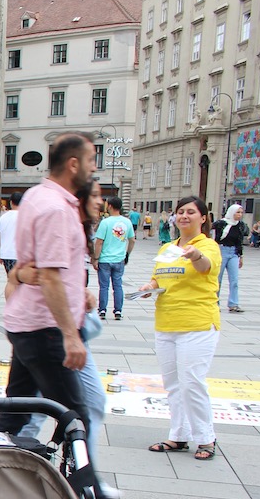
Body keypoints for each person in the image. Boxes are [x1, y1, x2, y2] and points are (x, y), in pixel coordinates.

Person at [0, 133, 140, 499]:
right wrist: (70, 335)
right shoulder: (57, 208)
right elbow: (51, 276)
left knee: (16, 412)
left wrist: (78, 294)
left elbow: (38, 267)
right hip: (45, 330)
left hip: (30, 325)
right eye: (91, 160)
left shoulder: (38, 197)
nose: (94, 167)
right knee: (76, 416)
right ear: (73, 164)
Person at [141, 196, 221, 461]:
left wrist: (196, 255)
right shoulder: (168, 247)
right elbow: (159, 277)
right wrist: (149, 287)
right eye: (180, 212)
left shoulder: (207, 245)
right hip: (166, 323)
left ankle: (206, 438)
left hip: (197, 324)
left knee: (192, 383)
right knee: (174, 384)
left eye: (191, 212)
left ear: (203, 218)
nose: (184, 216)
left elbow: (205, 267)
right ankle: (178, 435)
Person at [93, 196, 134, 321]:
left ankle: (102, 310)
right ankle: (118, 310)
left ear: (110, 206)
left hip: (105, 259)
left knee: (104, 286)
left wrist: (96, 258)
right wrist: (127, 254)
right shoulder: (127, 222)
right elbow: (132, 240)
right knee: (118, 286)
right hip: (119, 259)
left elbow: (99, 242)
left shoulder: (105, 222)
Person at [212, 204, 247, 313]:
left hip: (234, 252)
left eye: (241, 213)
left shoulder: (240, 225)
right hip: (222, 250)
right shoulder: (221, 223)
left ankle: (233, 304)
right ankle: (215, 302)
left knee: (234, 280)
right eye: (238, 212)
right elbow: (212, 233)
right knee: (218, 279)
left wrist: (241, 256)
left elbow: (239, 241)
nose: (239, 215)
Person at [0, 193, 20, 274]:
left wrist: (0, 254)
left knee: (11, 278)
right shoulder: (25, 217)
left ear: (11, 202)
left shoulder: (3, 217)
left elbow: (1, 237)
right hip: (19, 254)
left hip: (6, 253)